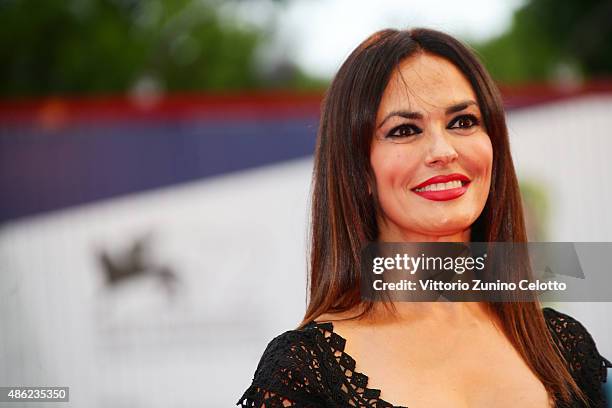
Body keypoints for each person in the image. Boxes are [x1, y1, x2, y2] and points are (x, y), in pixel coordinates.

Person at [237, 28, 611, 408]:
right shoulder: (305, 370)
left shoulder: (565, 347)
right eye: (404, 130)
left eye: (463, 122)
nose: (442, 150)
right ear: (359, 171)